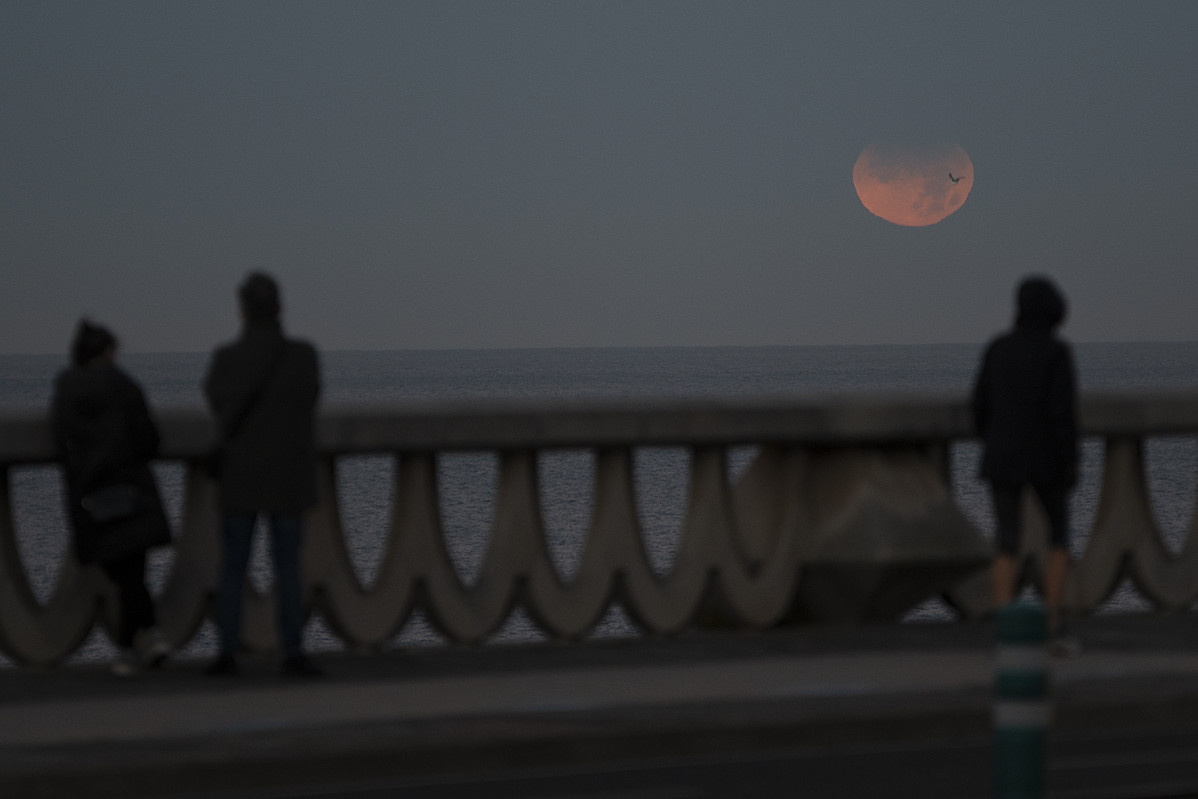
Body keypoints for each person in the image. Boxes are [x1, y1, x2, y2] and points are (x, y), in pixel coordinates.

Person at [203, 272, 322, 677]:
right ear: (280, 309)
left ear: (242, 311)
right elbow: (309, 400)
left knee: (234, 566)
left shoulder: (226, 360)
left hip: (240, 474)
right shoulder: (303, 356)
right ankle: (293, 651)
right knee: (287, 566)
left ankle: (226, 653)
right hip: (289, 474)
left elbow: (217, 403)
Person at [51, 320, 173, 677]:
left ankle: (147, 640)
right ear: (107, 351)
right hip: (129, 491)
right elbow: (149, 437)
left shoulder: (66, 390)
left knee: (124, 574)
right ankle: (135, 645)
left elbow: (63, 445)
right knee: (133, 575)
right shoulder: (122, 385)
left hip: (91, 496)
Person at [971, 276, 1079, 653]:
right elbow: (1062, 415)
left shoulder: (998, 349)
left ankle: (1004, 620)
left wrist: (995, 439)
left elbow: (979, 407)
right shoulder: (1056, 353)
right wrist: (1071, 464)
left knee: (1006, 540)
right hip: (1047, 457)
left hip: (1002, 457)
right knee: (1059, 536)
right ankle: (1052, 620)